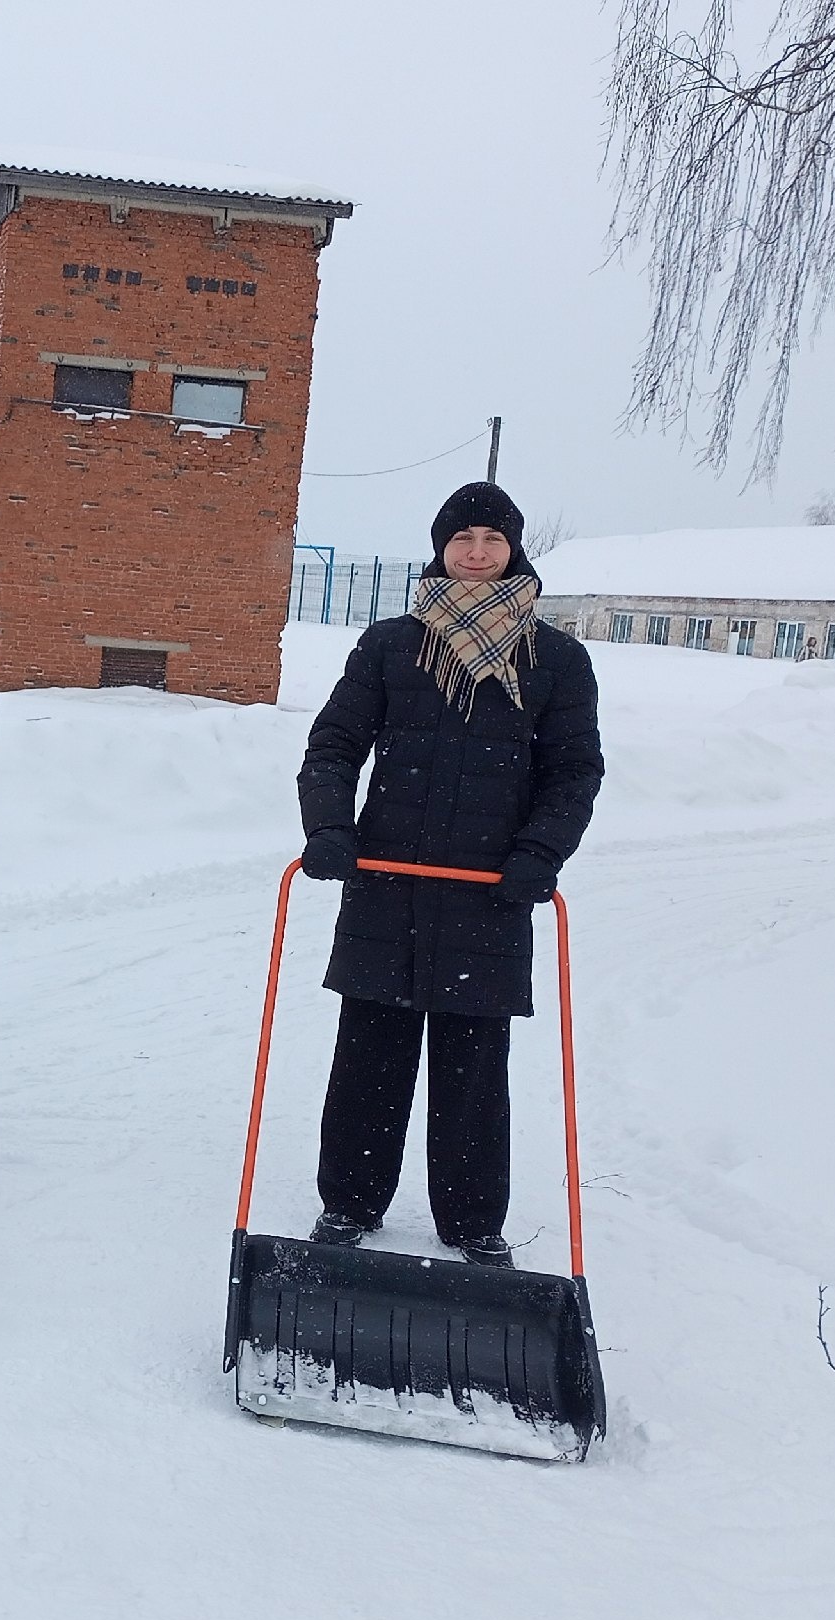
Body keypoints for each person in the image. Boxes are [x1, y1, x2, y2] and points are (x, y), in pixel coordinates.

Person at [295, 481, 603, 1261]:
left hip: (489, 895)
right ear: (441, 549)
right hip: (387, 883)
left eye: (491, 541)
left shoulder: (555, 659)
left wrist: (538, 853)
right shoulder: (392, 645)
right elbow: (333, 745)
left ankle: (472, 1223)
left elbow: (574, 772)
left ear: (513, 552)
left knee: (472, 1068)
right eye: (462, 539)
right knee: (370, 1056)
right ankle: (350, 1206)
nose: (475, 553)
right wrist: (330, 827)